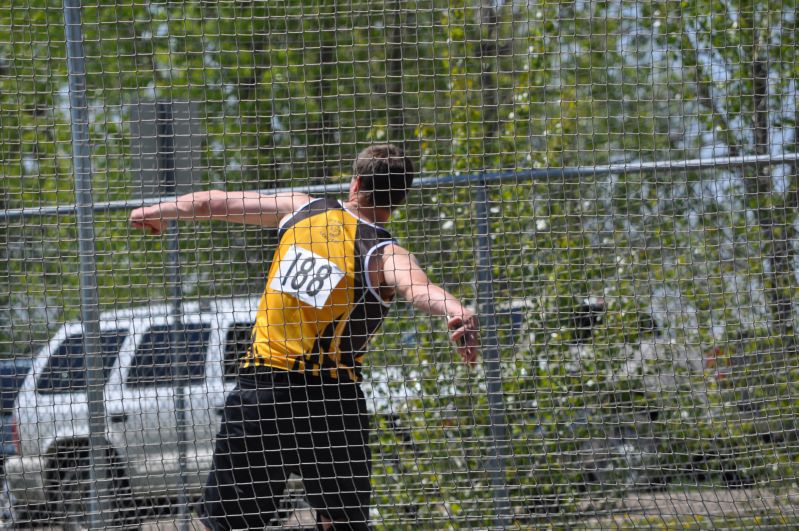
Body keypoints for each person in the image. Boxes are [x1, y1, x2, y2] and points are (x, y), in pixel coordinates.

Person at [129, 144, 480, 530]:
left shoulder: (301, 208)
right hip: (332, 403)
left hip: (265, 392)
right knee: (340, 524)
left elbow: (212, 203)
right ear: (400, 199)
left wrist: (156, 211)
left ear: (356, 182)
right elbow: (418, 288)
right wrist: (455, 311)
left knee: (228, 524)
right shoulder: (385, 252)